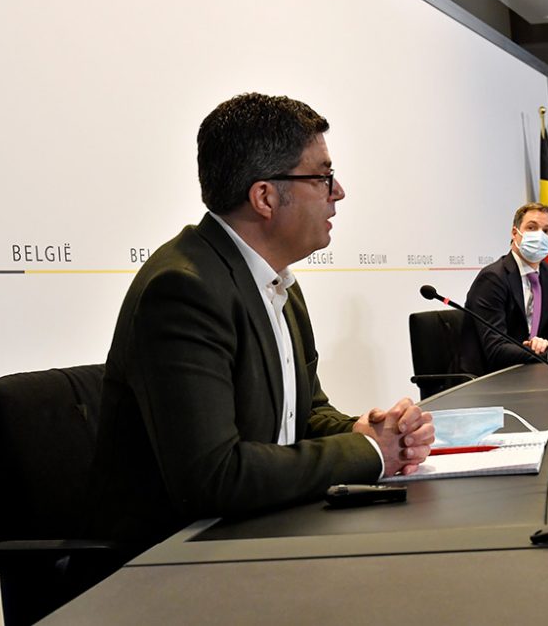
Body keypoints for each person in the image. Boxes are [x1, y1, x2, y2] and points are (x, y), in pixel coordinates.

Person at [88, 93, 434, 552]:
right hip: (177, 561)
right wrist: (370, 452)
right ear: (265, 197)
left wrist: (372, 430)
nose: (339, 192)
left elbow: (306, 415)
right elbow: (214, 476)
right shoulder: (183, 290)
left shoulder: (276, 283)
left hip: (261, 532)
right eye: (323, 176)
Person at [458, 202, 548, 376]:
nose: (540, 235)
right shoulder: (493, 278)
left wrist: (545, 345)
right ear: (515, 233)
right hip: (490, 377)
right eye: (532, 227)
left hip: (532, 370)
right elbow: (495, 350)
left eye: (546, 231)